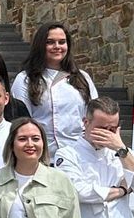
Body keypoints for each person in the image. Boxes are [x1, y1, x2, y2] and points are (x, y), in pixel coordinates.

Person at [11, 23, 98, 157]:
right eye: (50, 42)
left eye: (62, 42)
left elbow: (94, 115)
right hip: (41, 156)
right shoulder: (24, 80)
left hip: (78, 156)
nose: (57, 47)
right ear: (40, 45)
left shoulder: (82, 78)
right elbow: (21, 121)